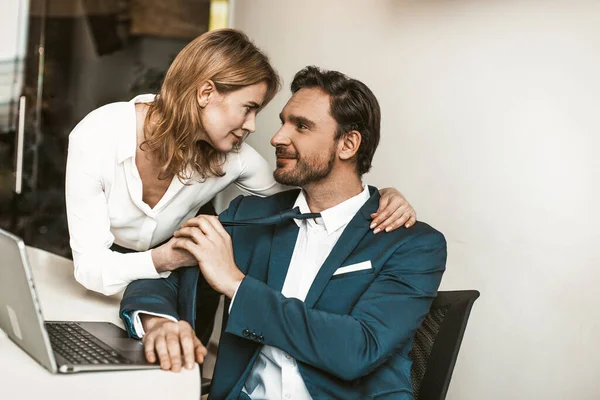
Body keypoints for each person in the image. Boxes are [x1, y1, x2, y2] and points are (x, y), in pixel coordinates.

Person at [120, 66, 446, 400]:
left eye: (301, 126)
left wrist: (236, 284)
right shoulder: (250, 216)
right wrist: (158, 322)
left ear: (347, 144)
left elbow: (358, 349)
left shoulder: (412, 244)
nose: (277, 137)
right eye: (283, 121)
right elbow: (162, 271)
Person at [65, 29, 416, 296]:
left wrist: (381, 196)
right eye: (249, 108)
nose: (253, 127)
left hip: (172, 292)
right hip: (99, 286)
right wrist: (163, 258)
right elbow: (90, 266)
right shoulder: (99, 137)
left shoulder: (235, 159)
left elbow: (309, 198)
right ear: (206, 93)